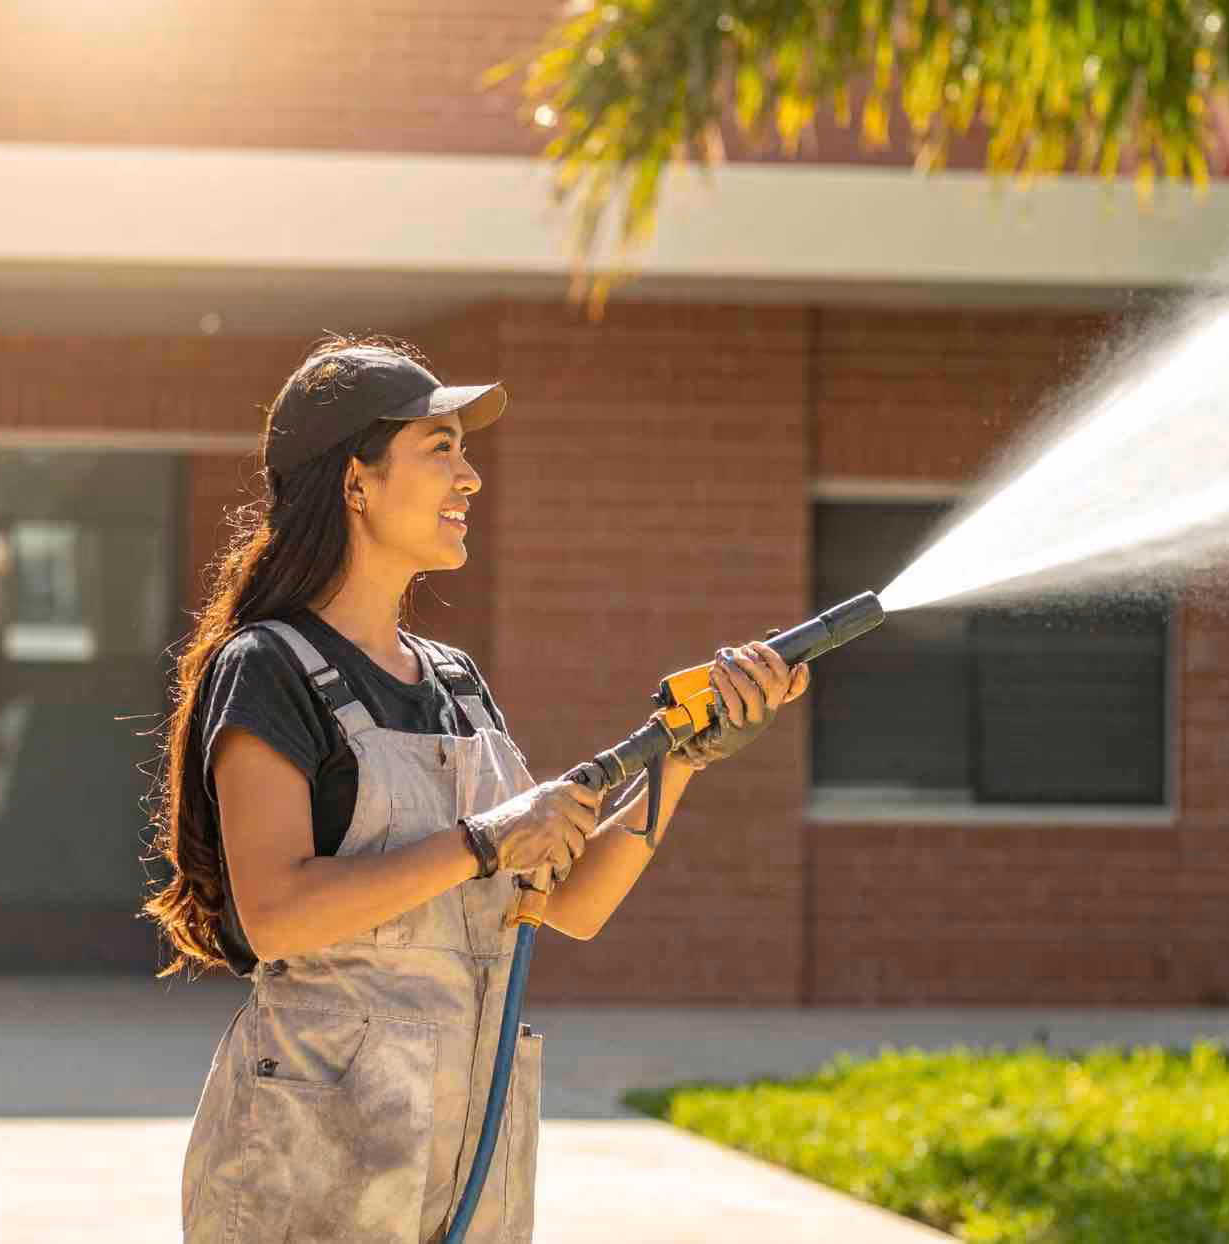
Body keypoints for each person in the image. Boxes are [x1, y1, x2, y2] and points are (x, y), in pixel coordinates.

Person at [142, 334, 810, 1244]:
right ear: (356, 481)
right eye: (441, 448)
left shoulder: (454, 683)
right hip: (310, 1162)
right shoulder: (269, 667)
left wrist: (685, 758)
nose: (471, 477)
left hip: (469, 1159)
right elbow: (278, 914)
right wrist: (485, 840)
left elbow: (570, 903)